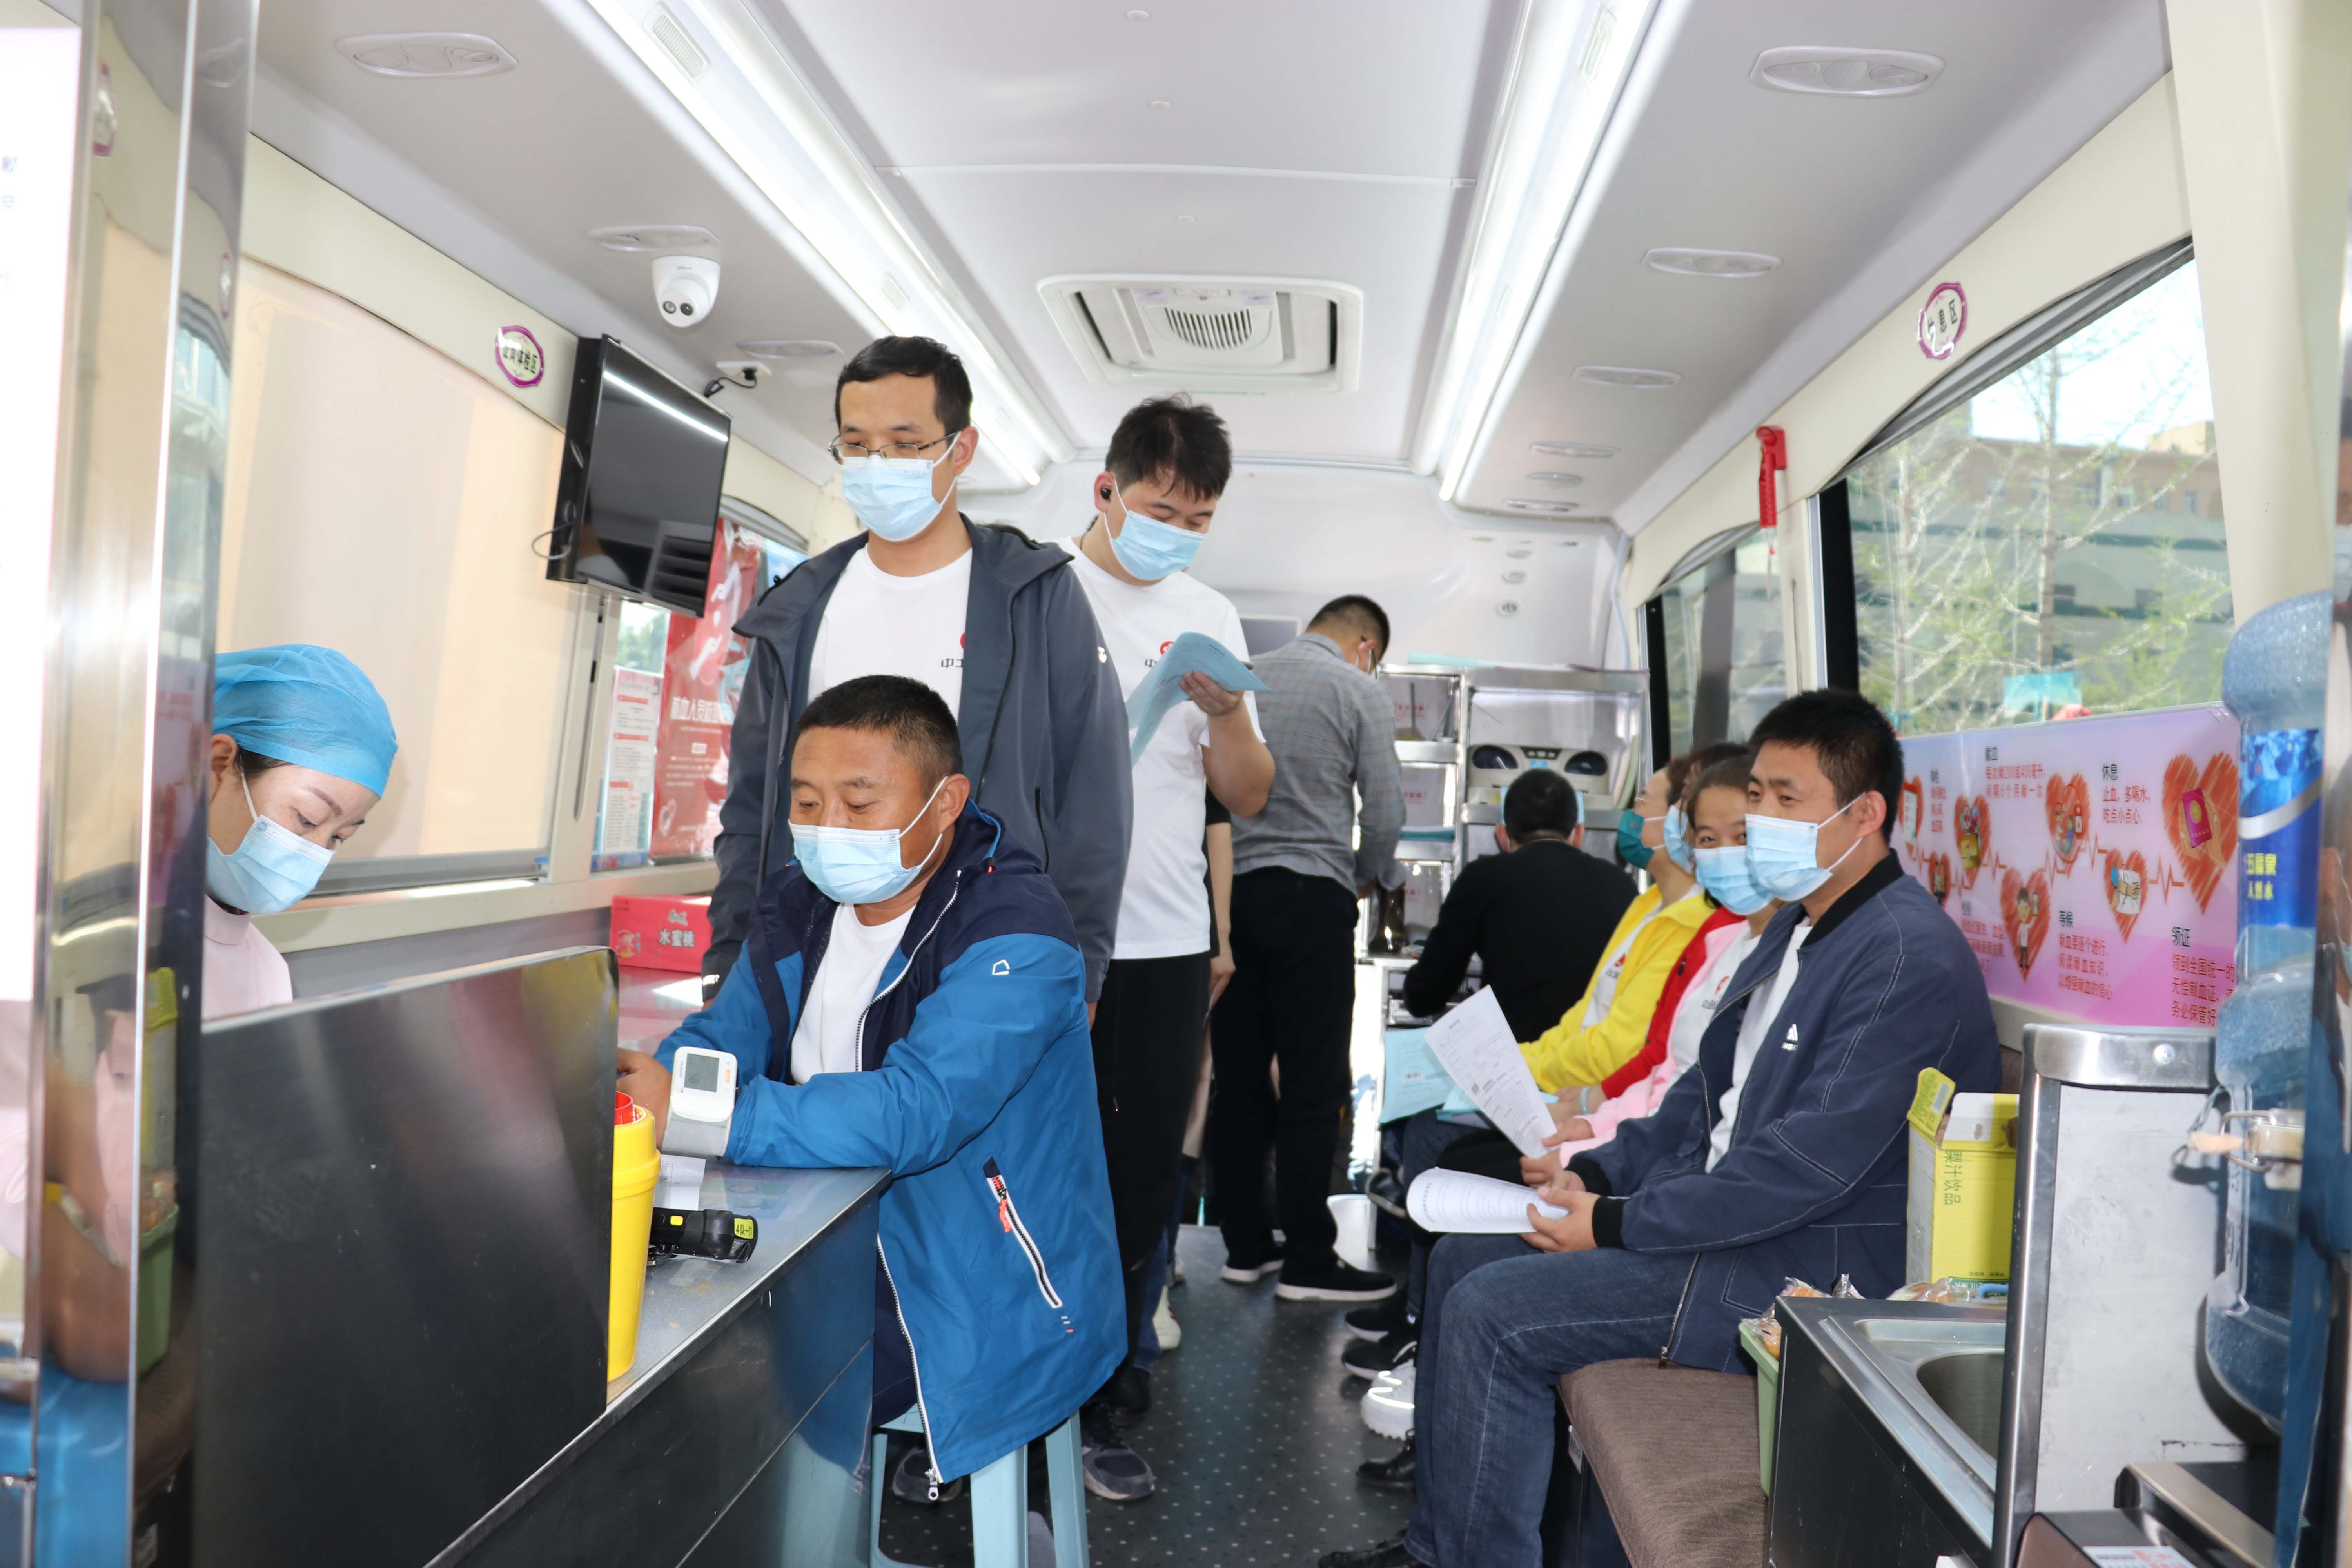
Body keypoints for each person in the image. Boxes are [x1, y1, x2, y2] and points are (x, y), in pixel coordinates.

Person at [1318, 688, 2002, 1568]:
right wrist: (1598, 1175)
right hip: (1714, 1224)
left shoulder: (1903, 957)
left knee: (1494, 1311)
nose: (1762, 821)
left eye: (1787, 799)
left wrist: (1612, 1223)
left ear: (1865, 814)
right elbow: (1701, 1099)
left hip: (1791, 1271)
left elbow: (1801, 1170)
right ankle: (1442, 1546)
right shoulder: (1795, 931)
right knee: (1459, 1259)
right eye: (1756, 794)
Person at [618, 675, 1122, 1498]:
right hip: (828, 1227)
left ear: (946, 801)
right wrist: (661, 1087)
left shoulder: (1016, 934)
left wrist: (709, 1116)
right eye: (807, 803)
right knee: (639, 1326)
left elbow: (914, 1111)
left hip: (973, 1274)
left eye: (859, 803)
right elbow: (723, 1039)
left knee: (719, 1383)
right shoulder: (799, 902)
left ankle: (800, 1530)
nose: (828, 829)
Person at [704, 335, 1131, 1013]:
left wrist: (1078, 973)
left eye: (905, 445)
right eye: (857, 445)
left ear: (960, 450)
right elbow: (753, 803)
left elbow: (1093, 795)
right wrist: (728, 961)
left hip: (984, 951)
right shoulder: (797, 609)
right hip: (813, 949)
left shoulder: (1033, 596)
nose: (878, 465)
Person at [1345, 747, 1741, 1418]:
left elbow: (1640, 1059)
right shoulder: (1640, 902)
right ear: (1579, 832)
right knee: (1445, 1152)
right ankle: (1420, 1324)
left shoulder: (1710, 931)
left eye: (1649, 805)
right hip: (1592, 1107)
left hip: (1613, 1129)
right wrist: (1533, 1078)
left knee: (1440, 1149)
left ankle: (1421, 1327)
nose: (1638, 818)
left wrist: (1569, 1112)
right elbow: (1599, 1024)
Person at [1055, 395, 1274, 1499]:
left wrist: (1228, 714)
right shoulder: (1042, 593)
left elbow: (1247, 794)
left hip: (1165, 941)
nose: (1177, 535)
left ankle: (1106, 1393)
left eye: (1198, 521)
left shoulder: (1212, 615)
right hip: (1044, 933)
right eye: (1159, 511)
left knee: (1139, 1181)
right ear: (1105, 490)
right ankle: (997, 1393)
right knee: (1024, 1173)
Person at [1210, 596, 1404, 1303]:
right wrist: (1364, 876)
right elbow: (1385, 812)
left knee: (1237, 1081)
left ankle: (1244, 1248)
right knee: (1313, 1084)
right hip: (1312, 899)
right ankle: (1308, 1261)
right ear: (1364, 645)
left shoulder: (1239, 676)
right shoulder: (1357, 689)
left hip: (1230, 899)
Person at [1517, 742, 1750, 1098]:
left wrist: (1534, 1073)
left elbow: (1623, 1048)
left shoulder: (1698, 925)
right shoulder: (1648, 903)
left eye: (1642, 802)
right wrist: (1521, 1062)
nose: (1632, 814)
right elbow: (1586, 1014)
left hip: (1600, 1095)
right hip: (1579, 1090)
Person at [202, 645, 398, 1018]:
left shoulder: (268, 970)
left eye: (339, 838)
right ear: (218, 765)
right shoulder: (114, 941)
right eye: (307, 819)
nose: (316, 852)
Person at [1399, 768, 1633, 1040]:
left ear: (1503, 836)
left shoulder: (1481, 878)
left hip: (1513, 1059)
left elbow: (1426, 995)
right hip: (1595, 1057)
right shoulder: (1623, 886)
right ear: (1578, 834)